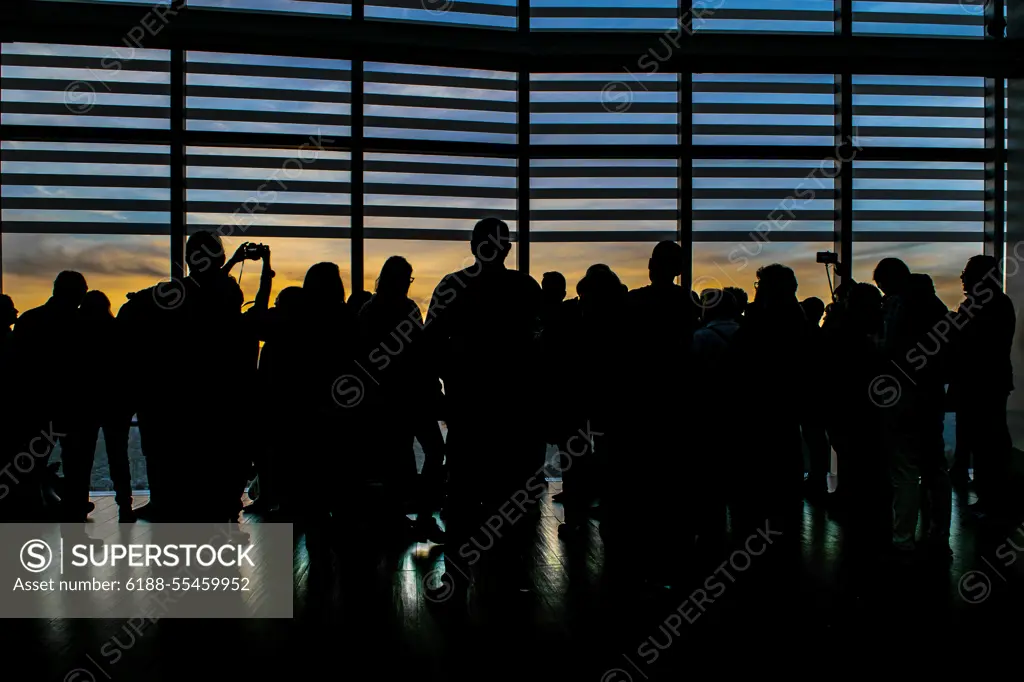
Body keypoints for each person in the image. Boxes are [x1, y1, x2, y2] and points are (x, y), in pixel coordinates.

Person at [425, 218, 542, 587]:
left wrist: (441, 392)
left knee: (462, 493)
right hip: (514, 411)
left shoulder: (452, 286)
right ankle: (506, 573)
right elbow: (539, 351)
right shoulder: (525, 288)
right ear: (506, 248)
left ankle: (458, 572)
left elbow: (430, 345)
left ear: (473, 246)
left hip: (468, 407)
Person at [358, 256, 445, 541]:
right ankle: (422, 516)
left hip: (388, 399)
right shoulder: (408, 309)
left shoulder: (369, 312)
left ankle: (398, 519)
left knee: (398, 460)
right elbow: (420, 353)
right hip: (415, 395)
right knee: (433, 452)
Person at [873, 259, 951, 556]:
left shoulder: (897, 307)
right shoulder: (937, 307)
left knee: (904, 468)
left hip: (901, 394)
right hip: (930, 395)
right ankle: (939, 534)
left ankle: (902, 537)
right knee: (935, 466)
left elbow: (887, 349)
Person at [10, 271, 89, 518]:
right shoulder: (82, 323)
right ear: (78, 293)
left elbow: (18, 366)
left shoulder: (30, 320)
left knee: (33, 464)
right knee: (77, 464)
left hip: (37, 405)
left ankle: (32, 512)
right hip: (73, 406)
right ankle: (74, 513)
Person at [949, 255, 1015, 517]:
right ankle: (993, 497)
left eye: (967, 273)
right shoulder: (997, 303)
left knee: (986, 440)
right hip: (988, 382)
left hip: (981, 382)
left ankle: (992, 497)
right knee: (989, 439)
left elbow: (973, 342)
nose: (962, 278)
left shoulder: (984, 306)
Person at [60, 291, 136, 522]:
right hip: (115, 405)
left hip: (83, 406)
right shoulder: (117, 332)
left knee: (79, 462)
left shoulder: (74, 333)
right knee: (119, 457)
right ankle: (124, 505)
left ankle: (76, 507)